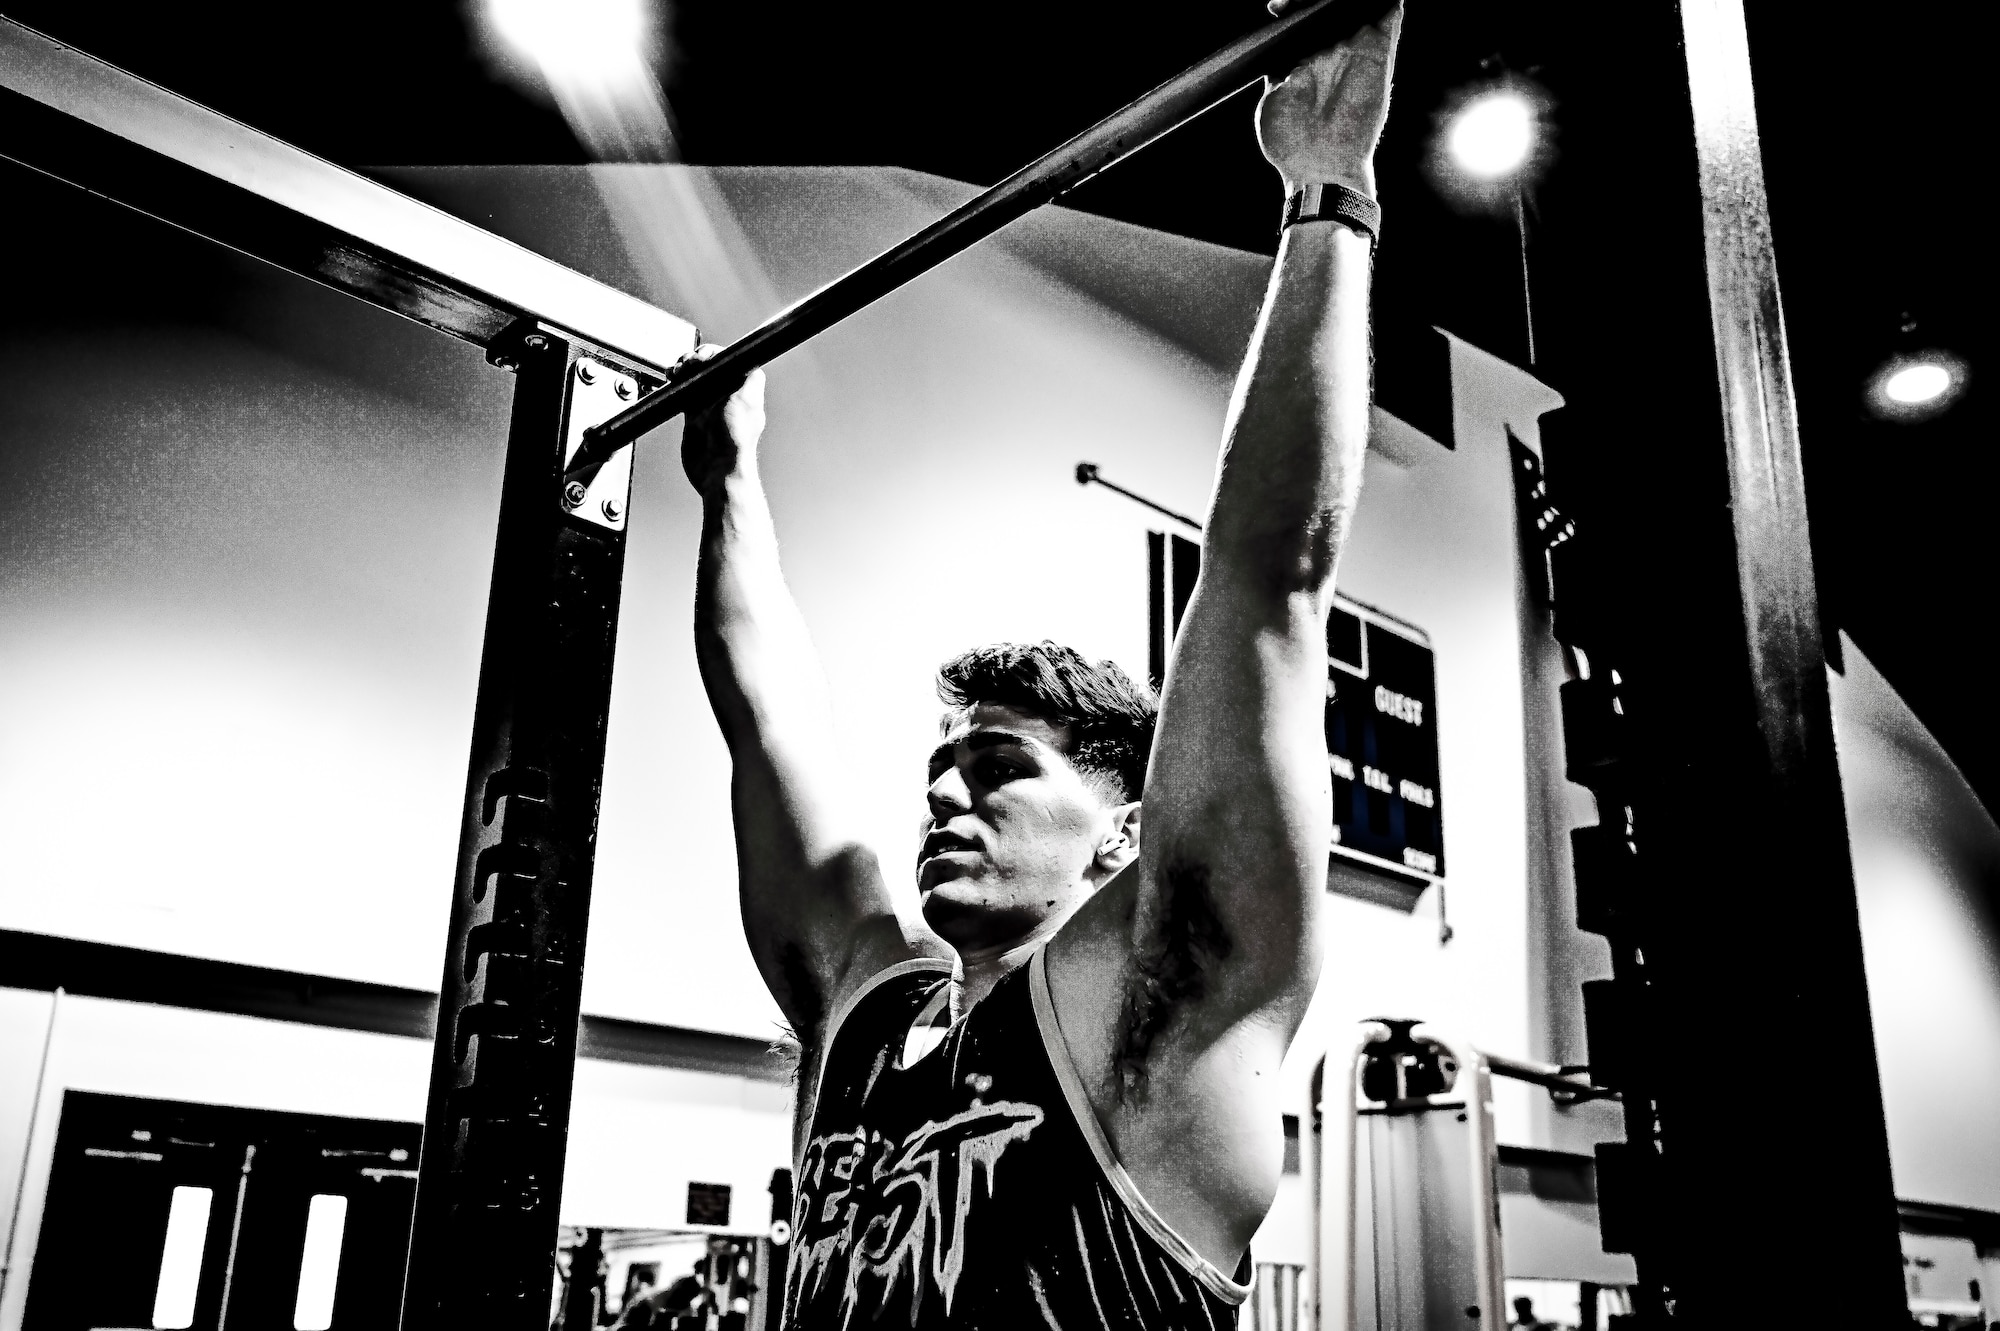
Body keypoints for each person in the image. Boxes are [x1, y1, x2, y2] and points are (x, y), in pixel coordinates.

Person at [682, 4, 1401, 1325]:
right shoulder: (867, 1008)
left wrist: (1327, 194)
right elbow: (765, 716)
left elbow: (1266, 587)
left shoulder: (1153, 1028)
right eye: (944, 771)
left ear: (1125, 831)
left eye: (1000, 769)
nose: (946, 798)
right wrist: (726, 474)